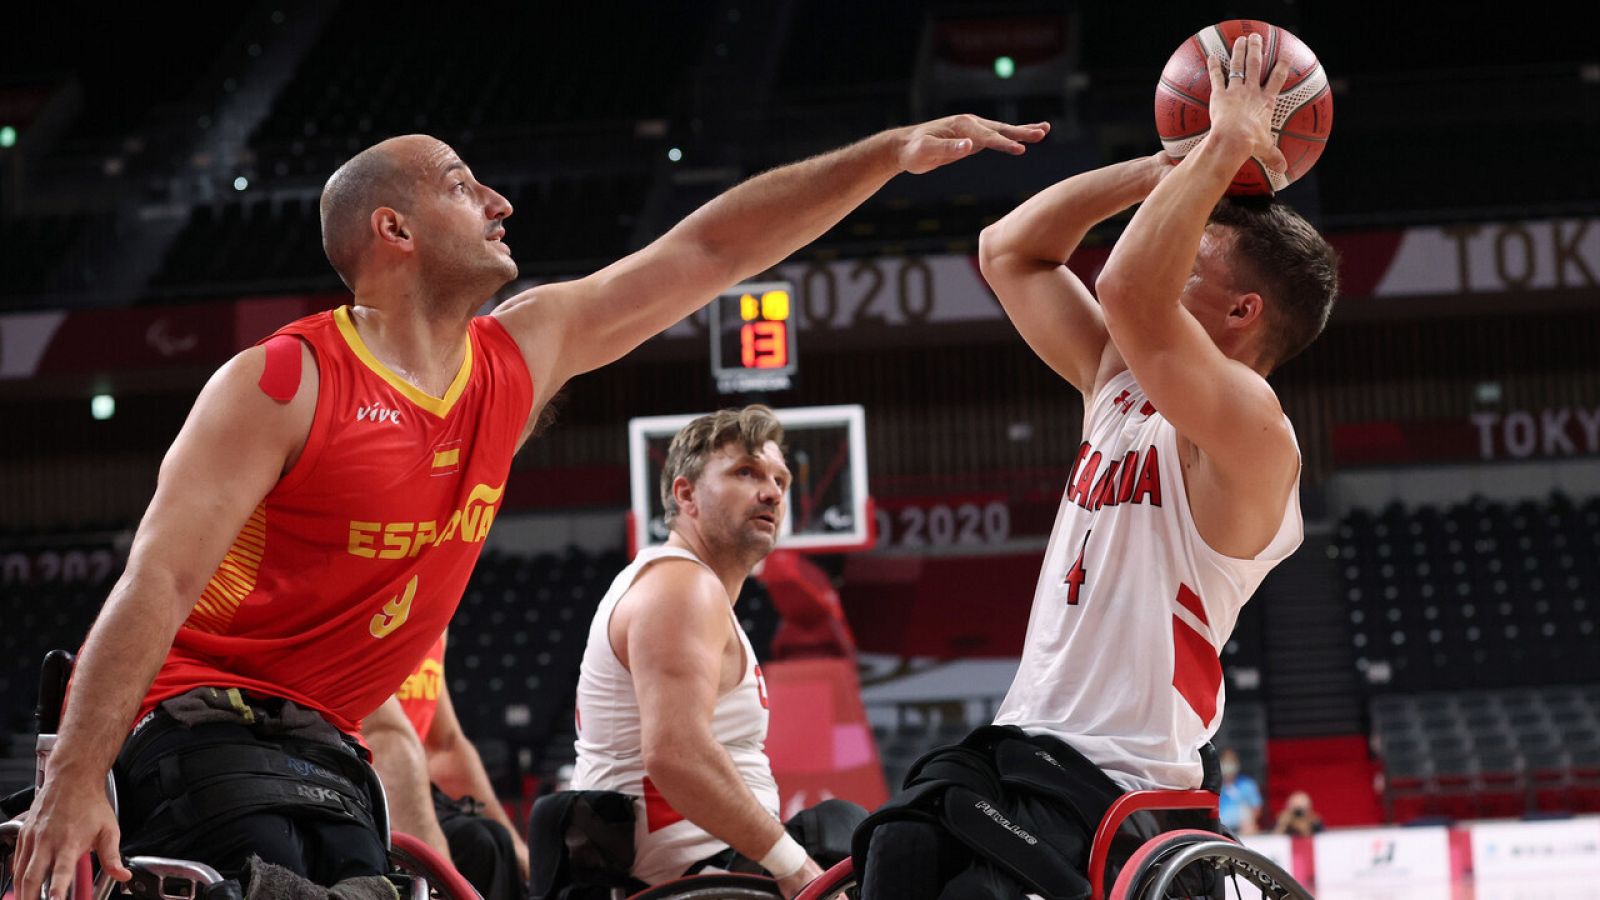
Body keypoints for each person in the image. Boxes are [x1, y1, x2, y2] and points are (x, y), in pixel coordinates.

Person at [14, 113, 1047, 899]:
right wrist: (75, 774)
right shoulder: (282, 383)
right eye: (466, 188)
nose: (501, 202)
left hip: (330, 749)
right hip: (203, 724)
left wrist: (885, 154)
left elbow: (706, 255)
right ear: (395, 229)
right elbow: (156, 580)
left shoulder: (519, 354)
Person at [856, 33, 1339, 899]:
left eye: (1192, 254)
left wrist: (1228, 143)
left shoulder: (1255, 434)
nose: (1167, 242)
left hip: (1121, 781)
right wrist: (1169, 165)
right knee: (897, 854)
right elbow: (1009, 249)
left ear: (1242, 309)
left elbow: (1126, 285)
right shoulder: (1117, 381)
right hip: (1022, 750)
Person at [561, 407, 863, 899]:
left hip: (706, 871)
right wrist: (796, 867)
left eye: (780, 479)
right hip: (690, 883)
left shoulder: (685, 587)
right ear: (686, 495)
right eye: (745, 472)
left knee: (849, 831)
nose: (771, 492)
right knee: (868, 840)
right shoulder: (682, 586)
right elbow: (676, 755)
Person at [364, 631, 529, 900]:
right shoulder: (373, 606)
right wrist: (447, 880)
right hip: (357, 784)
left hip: (407, 786)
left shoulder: (435, 623)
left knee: (495, 840)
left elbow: (446, 747)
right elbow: (384, 738)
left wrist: (519, 847)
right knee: (476, 842)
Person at [1217, 748, 1262, 836]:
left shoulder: (1248, 785)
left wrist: (1250, 824)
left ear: (1237, 763)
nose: (1228, 765)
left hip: (1244, 830)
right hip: (1221, 830)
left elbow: (1256, 809)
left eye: (1231, 762)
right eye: (1225, 761)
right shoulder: (1215, 787)